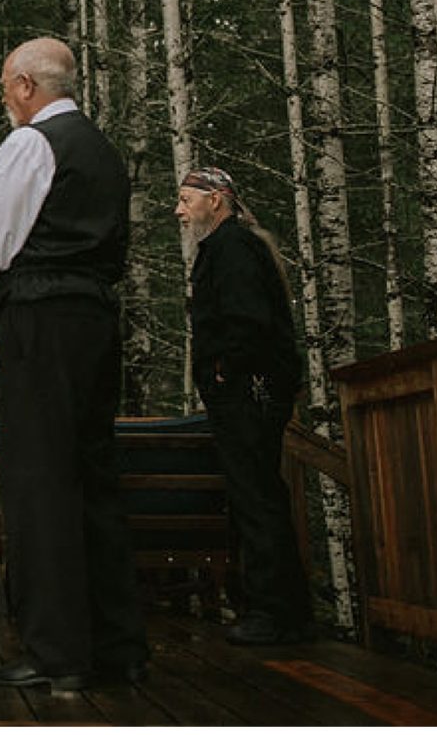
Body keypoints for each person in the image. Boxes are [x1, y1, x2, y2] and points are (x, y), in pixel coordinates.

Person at [0, 37, 148, 693]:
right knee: (94, 474)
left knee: (39, 479)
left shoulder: (32, 143)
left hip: (42, 320)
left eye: (8, 85)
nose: (6, 98)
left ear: (29, 86)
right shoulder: (103, 152)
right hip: (95, 318)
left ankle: (58, 649)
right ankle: (117, 642)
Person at [177, 166, 311, 645]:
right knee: (259, 497)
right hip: (249, 389)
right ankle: (282, 611)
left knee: (257, 499)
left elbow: (248, 321)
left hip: (248, 391)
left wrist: (224, 370)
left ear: (217, 200)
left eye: (187, 199)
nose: (179, 210)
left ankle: (274, 614)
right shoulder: (232, 246)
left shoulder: (232, 248)